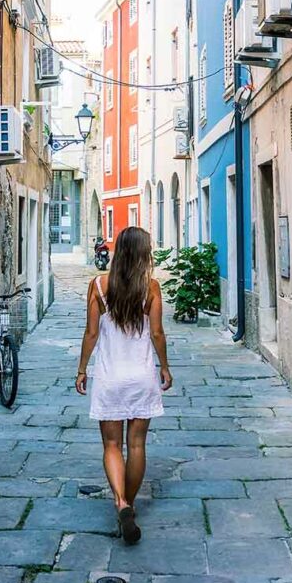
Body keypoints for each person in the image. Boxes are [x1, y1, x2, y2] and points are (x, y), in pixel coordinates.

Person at [75, 226, 173, 544]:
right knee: (138, 446)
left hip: (110, 377)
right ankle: (129, 505)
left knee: (111, 446)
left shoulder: (99, 286)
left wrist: (81, 370)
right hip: (141, 377)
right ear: (143, 254)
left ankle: (120, 502)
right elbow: (157, 334)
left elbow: (91, 334)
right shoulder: (152, 288)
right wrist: (166, 368)